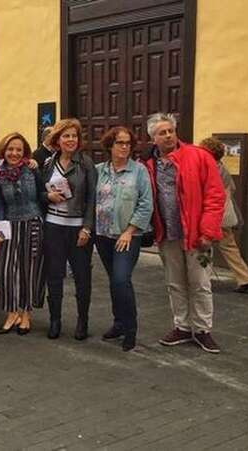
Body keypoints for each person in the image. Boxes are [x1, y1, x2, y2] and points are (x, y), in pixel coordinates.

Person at [143, 113, 225, 353]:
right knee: (175, 283)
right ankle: (182, 326)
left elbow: (215, 196)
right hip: (168, 234)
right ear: (153, 139)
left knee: (200, 283)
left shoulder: (199, 156)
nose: (168, 135)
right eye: (162, 133)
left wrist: (208, 230)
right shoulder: (150, 164)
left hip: (198, 236)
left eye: (170, 130)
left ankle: (202, 329)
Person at [94, 127, 153, 351]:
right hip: (103, 235)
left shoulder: (139, 171)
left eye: (128, 143)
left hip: (127, 236)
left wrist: (129, 231)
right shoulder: (99, 170)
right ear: (110, 145)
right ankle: (118, 323)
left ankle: (130, 328)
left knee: (121, 279)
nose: (125, 147)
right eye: (120, 143)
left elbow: (146, 204)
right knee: (114, 281)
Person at [40, 118, 96, 340]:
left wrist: (87, 228)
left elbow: (92, 199)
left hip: (78, 229)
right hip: (53, 226)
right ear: (57, 139)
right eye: (66, 136)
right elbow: (40, 193)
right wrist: (48, 196)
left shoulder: (86, 164)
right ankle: (55, 320)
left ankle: (83, 321)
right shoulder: (48, 163)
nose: (70, 140)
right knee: (54, 276)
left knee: (82, 277)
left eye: (74, 136)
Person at [0, 132, 45, 335]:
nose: (14, 153)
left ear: (24, 153)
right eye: (10, 149)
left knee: (29, 270)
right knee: (6, 271)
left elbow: (41, 195)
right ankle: (12, 311)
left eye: (18, 150)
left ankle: (26, 313)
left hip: (32, 223)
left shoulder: (32, 171)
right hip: (9, 226)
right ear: (4, 150)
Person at [200, 137, 248, 294]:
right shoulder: (222, 168)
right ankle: (245, 277)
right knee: (230, 248)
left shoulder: (207, 167)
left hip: (212, 216)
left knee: (202, 247)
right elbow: (231, 189)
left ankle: (202, 278)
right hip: (226, 215)